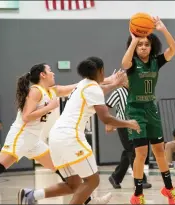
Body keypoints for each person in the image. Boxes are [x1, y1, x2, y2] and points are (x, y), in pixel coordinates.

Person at [0, 63, 123, 204]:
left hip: (35, 142)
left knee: (70, 176)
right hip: (20, 138)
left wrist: (110, 79)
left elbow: (79, 86)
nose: (53, 73)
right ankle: (90, 200)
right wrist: (49, 107)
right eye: (50, 70)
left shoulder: (51, 91)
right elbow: (26, 116)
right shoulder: (35, 91)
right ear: (42, 75)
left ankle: (88, 200)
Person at [19, 57, 140, 205]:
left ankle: (31, 195)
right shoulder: (92, 88)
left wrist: (114, 84)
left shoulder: (84, 84)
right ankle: (92, 201)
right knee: (93, 180)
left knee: (73, 184)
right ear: (101, 71)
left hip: (56, 137)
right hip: (70, 136)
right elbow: (106, 118)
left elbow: (99, 89)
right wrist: (130, 123)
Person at [121, 16, 175, 204]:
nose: (143, 47)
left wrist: (162, 29)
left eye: (146, 44)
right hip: (135, 111)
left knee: (160, 151)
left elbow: (174, 49)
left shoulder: (156, 61)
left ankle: (169, 189)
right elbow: (124, 63)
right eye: (140, 45)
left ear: (152, 46)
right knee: (141, 154)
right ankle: (138, 194)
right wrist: (134, 39)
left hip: (151, 110)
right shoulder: (132, 64)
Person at [106, 76, 152, 189]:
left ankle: (115, 177)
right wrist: (109, 123)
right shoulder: (118, 92)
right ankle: (140, 179)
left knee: (130, 151)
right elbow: (107, 106)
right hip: (123, 125)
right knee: (133, 150)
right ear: (122, 81)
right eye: (127, 79)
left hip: (135, 124)